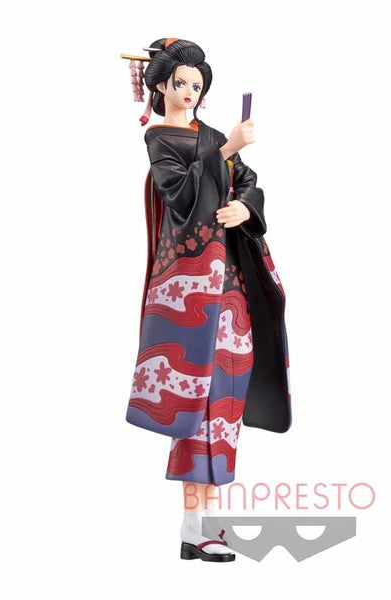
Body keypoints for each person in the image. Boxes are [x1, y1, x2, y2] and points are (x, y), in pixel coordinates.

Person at [124, 38, 291, 562]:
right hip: (191, 289)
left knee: (225, 403)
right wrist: (224, 152)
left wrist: (245, 208)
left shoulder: (216, 136)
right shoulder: (160, 139)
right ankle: (196, 526)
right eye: (181, 84)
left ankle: (203, 524)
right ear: (160, 86)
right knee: (194, 407)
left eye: (197, 85)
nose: (189, 92)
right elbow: (179, 195)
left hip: (230, 287)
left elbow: (247, 182)